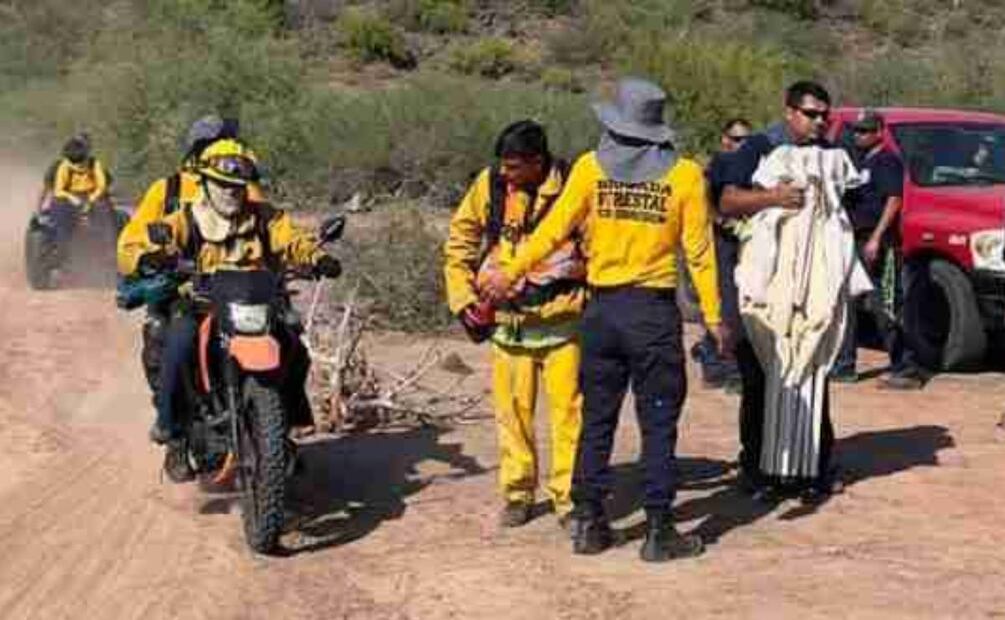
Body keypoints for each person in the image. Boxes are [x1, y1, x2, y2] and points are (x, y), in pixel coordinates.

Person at [482, 78, 723, 563]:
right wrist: (715, 318)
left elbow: (552, 231)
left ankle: (590, 523)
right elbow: (699, 253)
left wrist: (510, 271)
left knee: (596, 419)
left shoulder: (591, 169)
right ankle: (659, 530)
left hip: (601, 313)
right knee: (658, 422)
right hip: (651, 314)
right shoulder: (684, 176)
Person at [118, 139, 341, 481]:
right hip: (201, 306)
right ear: (205, 182)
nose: (230, 191)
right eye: (222, 184)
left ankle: (282, 429)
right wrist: (149, 255)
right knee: (178, 345)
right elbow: (134, 244)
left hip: (256, 305)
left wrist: (316, 257)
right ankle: (174, 432)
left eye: (237, 185)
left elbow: (293, 239)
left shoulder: (264, 217)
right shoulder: (187, 218)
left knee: (294, 347)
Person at [444, 120, 585, 529]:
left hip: (564, 326)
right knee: (512, 417)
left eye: (514, 167)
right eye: (502, 166)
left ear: (538, 162)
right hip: (509, 327)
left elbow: (596, 247)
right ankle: (518, 493)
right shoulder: (489, 186)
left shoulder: (574, 185)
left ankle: (569, 500)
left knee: (569, 418)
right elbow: (459, 242)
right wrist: (464, 301)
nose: (505, 174)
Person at [718, 80, 842, 502]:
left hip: (810, 282)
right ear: (790, 112)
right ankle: (759, 470)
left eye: (824, 115)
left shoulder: (829, 155)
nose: (819, 122)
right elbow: (727, 201)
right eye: (811, 114)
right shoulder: (759, 147)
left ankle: (812, 469)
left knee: (810, 368)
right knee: (760, 375)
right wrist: (773, 197)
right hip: (763, 282)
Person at [117, 116, 264, 408]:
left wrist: (303, 258)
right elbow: (130, 242)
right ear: (201, 149)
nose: (230, 150)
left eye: (232, 144)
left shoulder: (245, 188)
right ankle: (171, 418)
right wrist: (147, 255)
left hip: (241, 288)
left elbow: (273, 229)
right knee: (167, 336)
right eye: (220, 144)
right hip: (184, 291)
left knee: (288, 332)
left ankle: (284, 416)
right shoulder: (168, 189)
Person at [833, 109, 925, 389]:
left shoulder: (887, 161)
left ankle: (906, 367)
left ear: (879, 132)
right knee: (848, 302)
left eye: (864, 131)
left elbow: (894, 200)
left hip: (879, 242)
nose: (858, 135)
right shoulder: (861, 162)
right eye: (856, 130)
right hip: (854, 239)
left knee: (884, 305)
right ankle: (844, 365)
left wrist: (876, 237)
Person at [692, 118, 752, 390]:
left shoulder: (748, 166)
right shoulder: (717, 166)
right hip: (719, 241)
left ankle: (713, 359)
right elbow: (704, 200)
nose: (742, 145)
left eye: (746, 140)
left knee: (738, 304)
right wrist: (723, 220)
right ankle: (728, 369)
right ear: (725, 140)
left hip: (742, 240)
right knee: (727, 305)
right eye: (737, 139)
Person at [47, 134, 111, 267]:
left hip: (92, 196)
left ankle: (110, 251)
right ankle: (61, 250)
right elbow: (58, 190)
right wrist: (72, 198)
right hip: (69, 199)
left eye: (81, 162)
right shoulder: (63, 166)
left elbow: (102, 186)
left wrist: (90, 200)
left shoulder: (95, 164)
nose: (79, 166)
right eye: (75, 163)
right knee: (58, 208)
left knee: (104, 209)